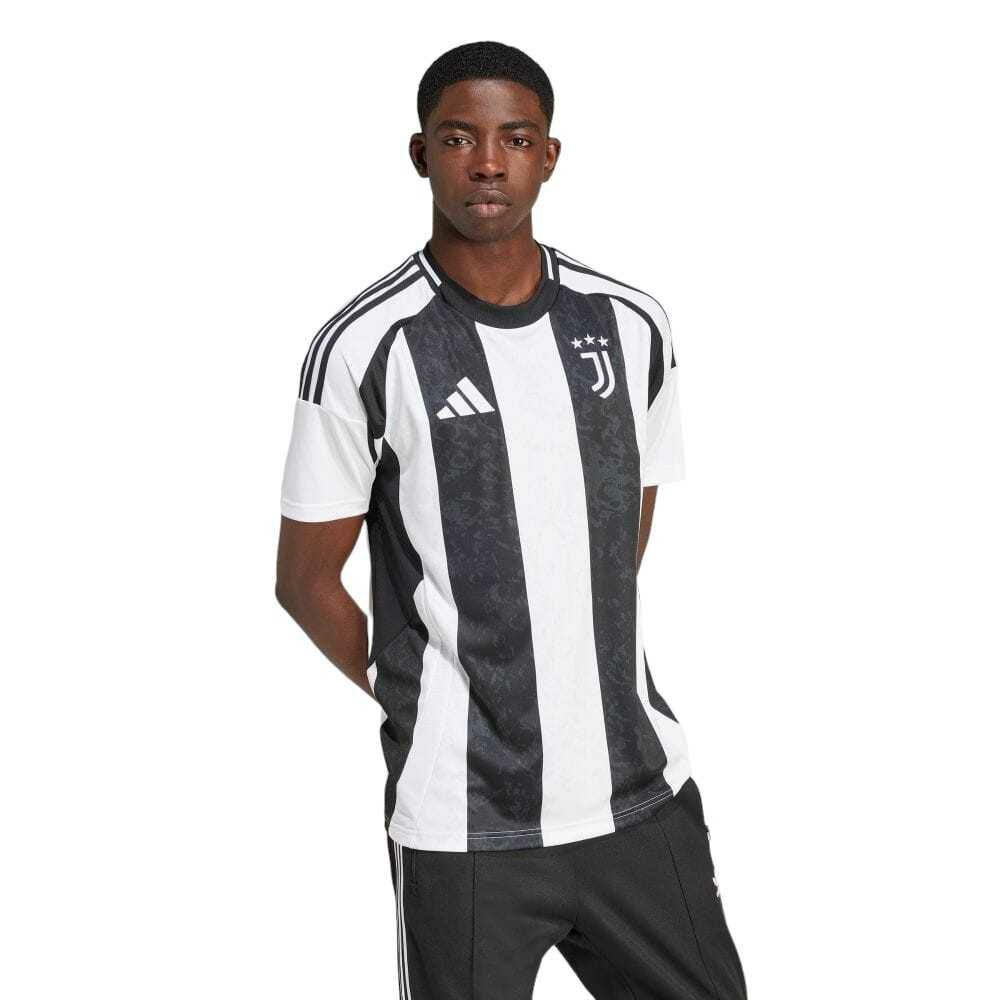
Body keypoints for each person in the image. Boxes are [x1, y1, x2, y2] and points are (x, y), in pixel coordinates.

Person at [276, 39, 747, 1000]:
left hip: (637, 796)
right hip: (463, 824)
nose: (488, 163)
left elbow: (623, 528)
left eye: (515, 139)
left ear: (549, 156)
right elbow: (304, 580)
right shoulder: (366, 346)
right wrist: (420, 691)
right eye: (460, 139)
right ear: (421, 154)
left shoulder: (631, 326)